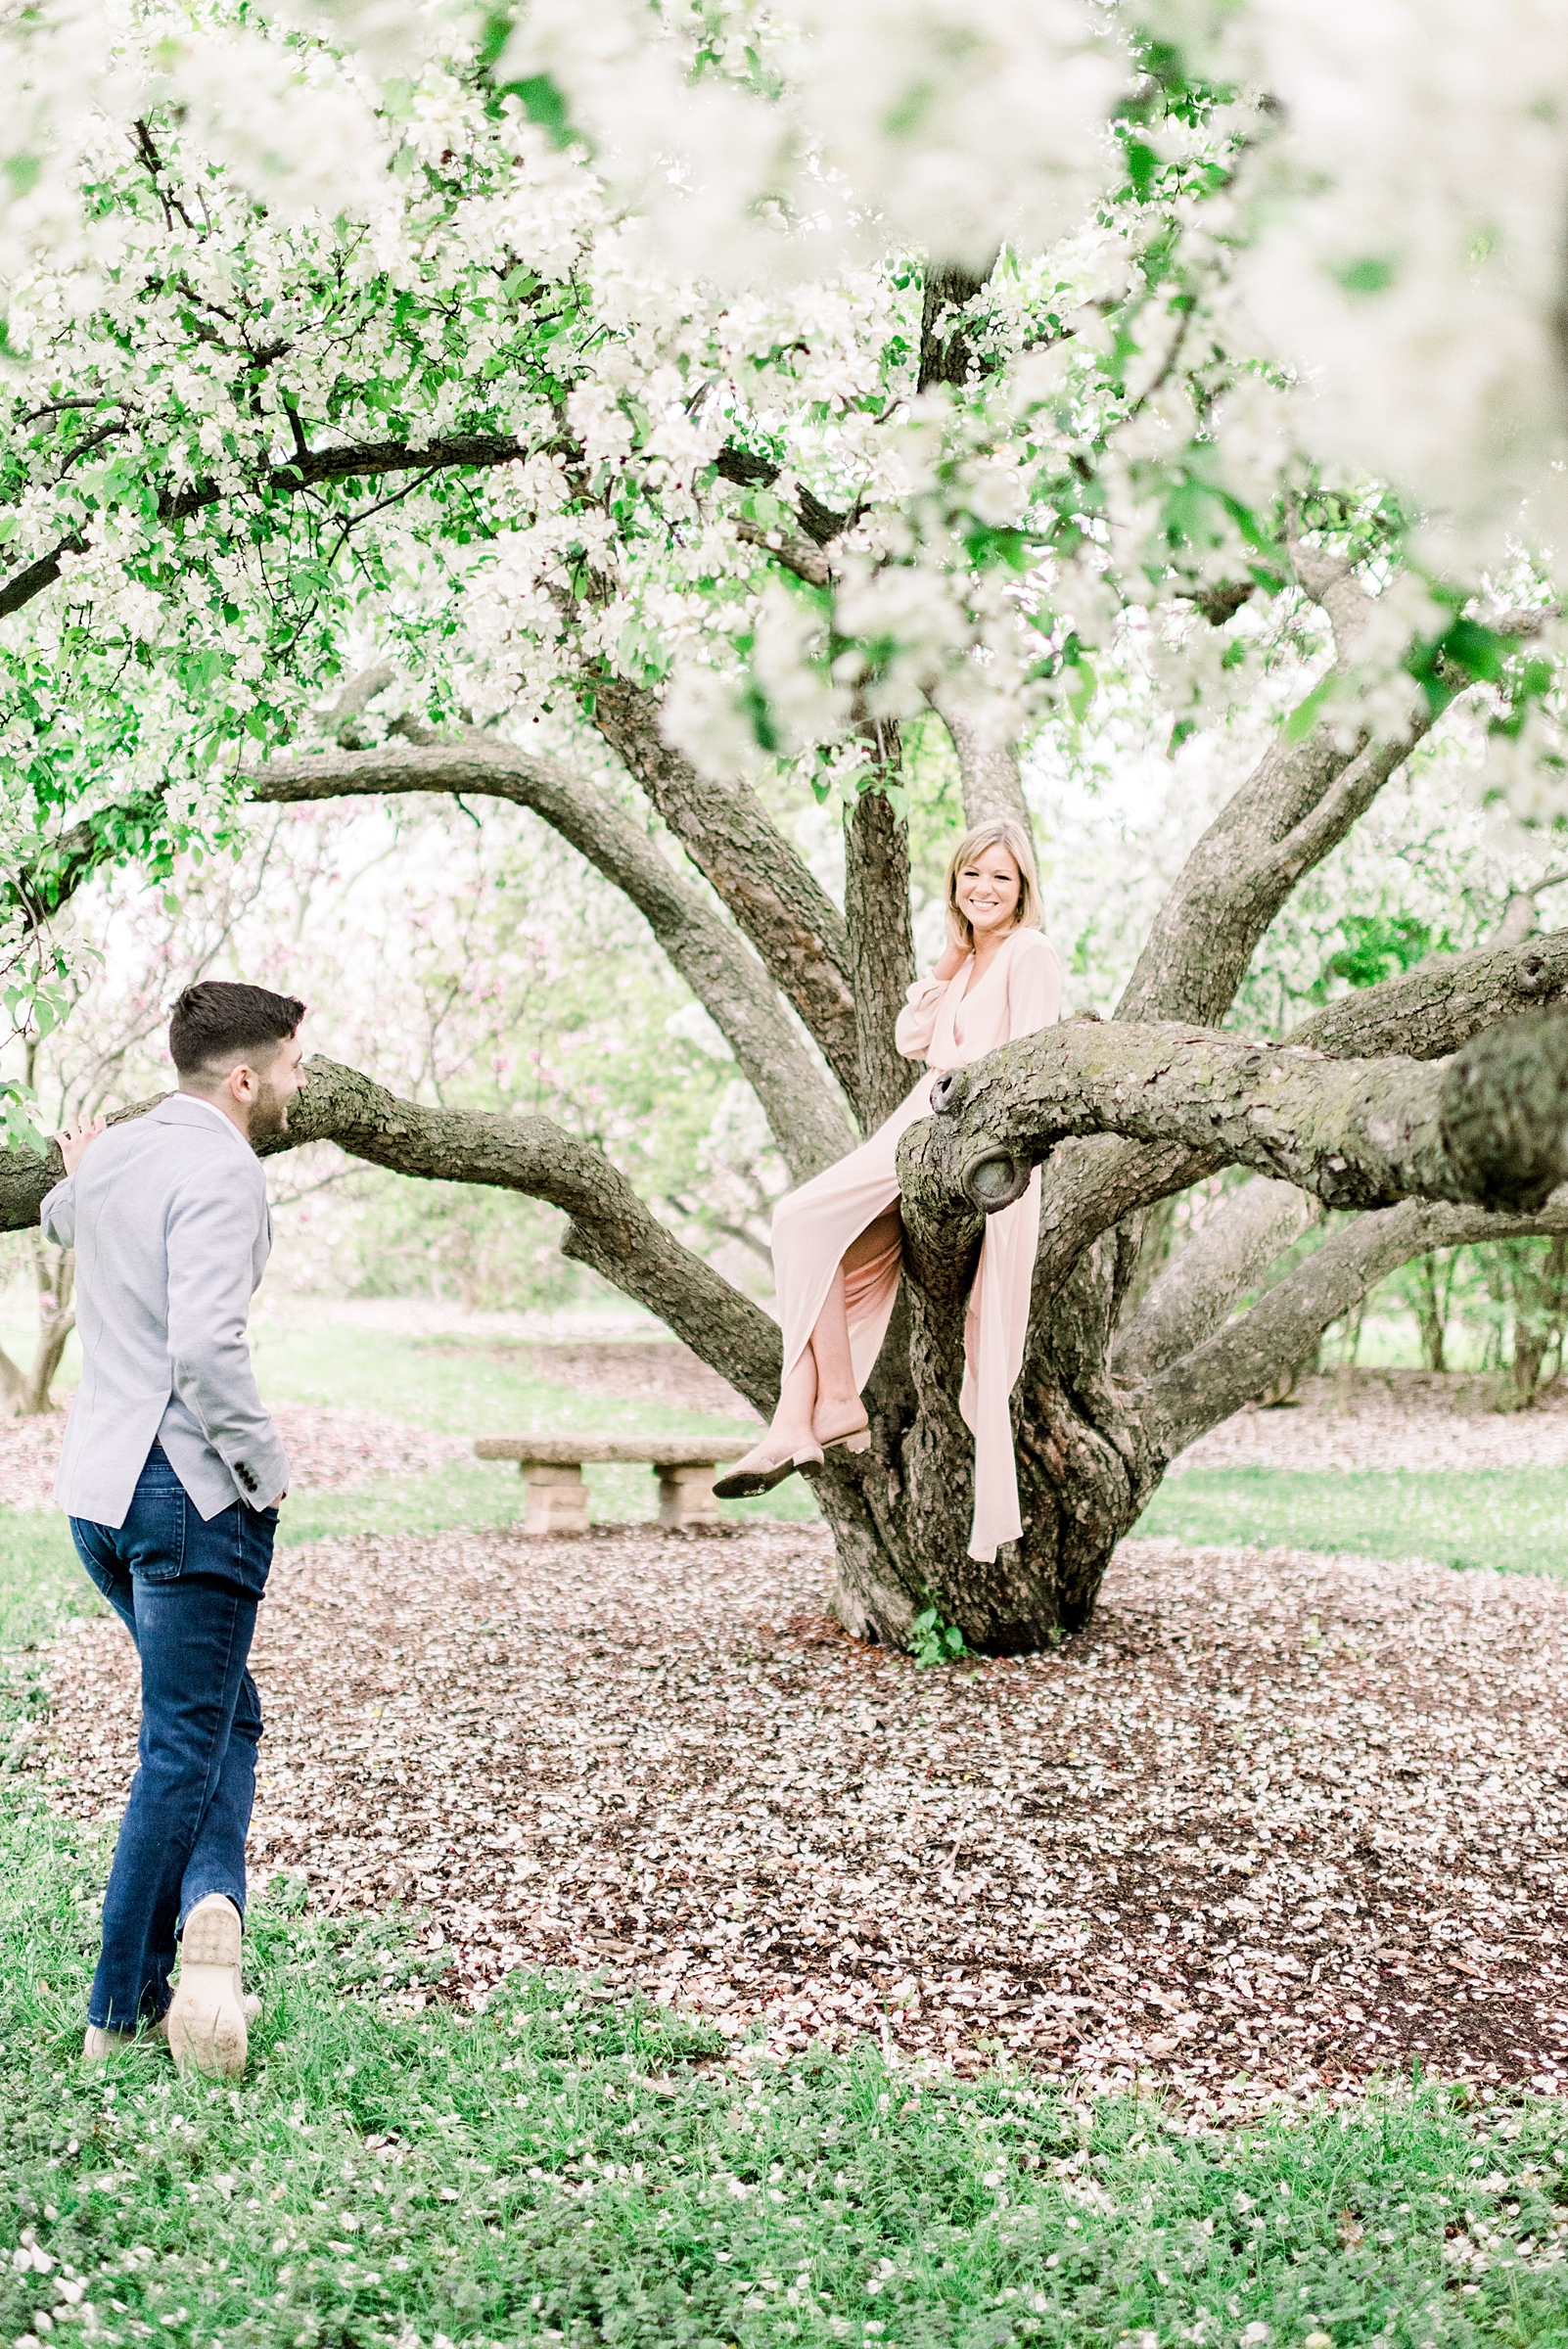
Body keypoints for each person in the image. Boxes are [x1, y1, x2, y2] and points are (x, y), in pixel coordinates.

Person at [40, 980, 306, 2074]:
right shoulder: (225, 1171)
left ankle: (211, 1901)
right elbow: (205, 1350)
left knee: (219, 1719)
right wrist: (264, 1471)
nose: (301, 1084)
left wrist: (78, 1168)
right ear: (243, 1080)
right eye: (293, 1067)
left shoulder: (120, 1157)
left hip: (97, 1499)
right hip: (189, 1498)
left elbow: (64, 1216)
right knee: (183, 1744)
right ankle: (118, 2011)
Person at [715, 817, 1062, 1560]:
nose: (985, 889)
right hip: (920, 1123)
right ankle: (811, 1414)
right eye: (972, 875)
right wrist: (951, 956)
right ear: (955, 884)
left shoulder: (1030, 953)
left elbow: (1032, 1064)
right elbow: (913, 1038)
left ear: (1023, 888)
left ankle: (820, 1409)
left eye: (1001, 877)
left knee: (797, 1220)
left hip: (966, 1137)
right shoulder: (969, 961)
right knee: (828, 1251)